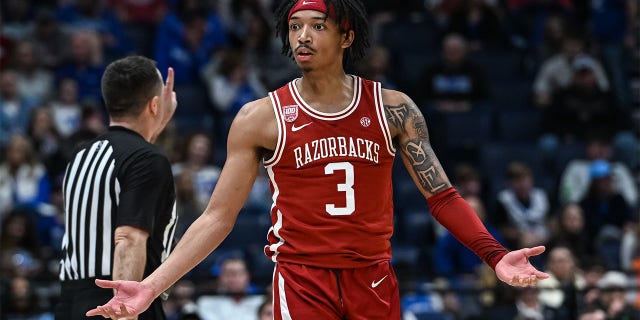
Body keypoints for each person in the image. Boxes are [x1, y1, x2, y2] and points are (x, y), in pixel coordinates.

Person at [88, 1, 548, 319]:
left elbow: (443, 196)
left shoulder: (393, 107)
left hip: (373, 276)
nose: (302, 36)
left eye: (317, 25)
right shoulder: (261, 117)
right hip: (303, 279)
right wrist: (151, 285)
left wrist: (496, 256)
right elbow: (216, 218)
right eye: (294, 26)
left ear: (347, 34)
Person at [55, 55, 178, 319]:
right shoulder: (148, 159)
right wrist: (124, 312)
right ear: (154, 105)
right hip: (119, 302)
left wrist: (158, 120)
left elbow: (132, 155)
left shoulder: (81, 153)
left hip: (71, 303)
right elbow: (129, 239)